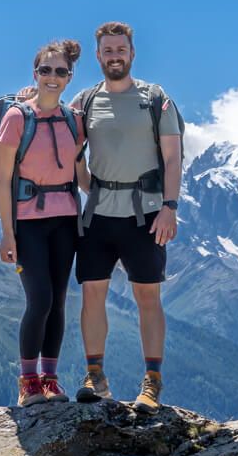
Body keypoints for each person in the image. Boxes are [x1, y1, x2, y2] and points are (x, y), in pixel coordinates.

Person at [72, 21, 181, 414]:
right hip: (98, 213)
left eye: (120, 50)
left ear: (132, 54)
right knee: (92, 294)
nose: (114, 56)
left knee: (148, 297)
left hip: (147, 214)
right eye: (107, 51)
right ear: (98, 56)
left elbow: (172, 157)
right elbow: (65, 144)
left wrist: (170, 207)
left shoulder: (155, 98)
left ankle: (152, 382)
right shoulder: (84, 102)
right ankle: (95, 377)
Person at [0, 39, 89, 407]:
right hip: (29, 223)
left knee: (60, 301)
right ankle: (27, 382)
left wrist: (123, 194)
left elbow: (81, 175)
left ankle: (50, 380)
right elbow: (2, 179)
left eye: (60, 71)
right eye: (46, 70)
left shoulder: (73, 120)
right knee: (40, 300)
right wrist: (7, 232)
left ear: (69, 78)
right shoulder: (17, 117)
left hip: (66, 220)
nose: (52, 77)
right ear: (35, 74)